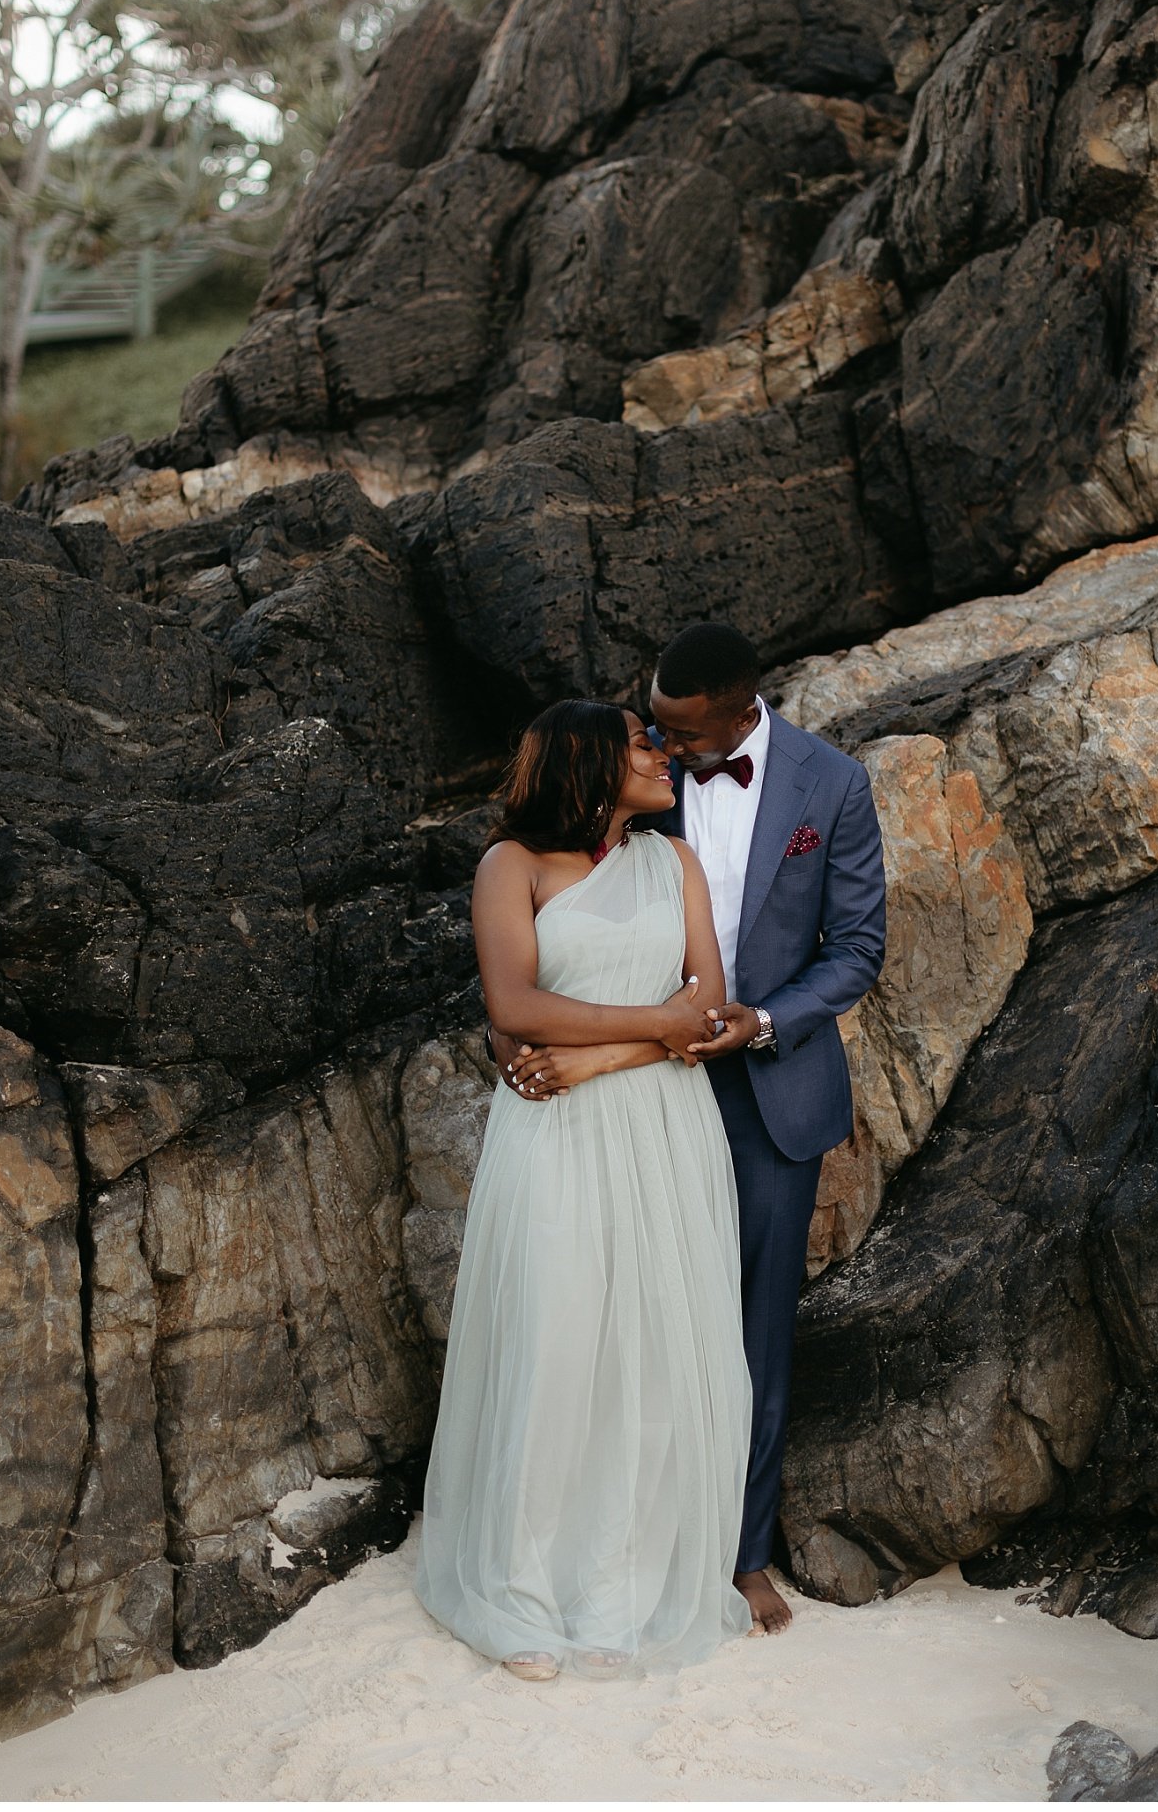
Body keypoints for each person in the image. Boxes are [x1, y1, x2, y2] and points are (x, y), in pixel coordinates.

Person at [503, 625, 887, 1635]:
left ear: (737, 705)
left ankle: (741, 1551)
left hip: (766, 1084)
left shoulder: (832, 784)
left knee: (752, 1328)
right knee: (621, 1316)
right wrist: (529, 1037)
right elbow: (547, 916)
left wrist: (761, 1020)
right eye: (653, 730)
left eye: (679, 731)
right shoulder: (629, 785)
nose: (663, 749)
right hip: (635, 1092)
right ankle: (616, 1543)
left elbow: (855, 948)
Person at [414, 699, 755, 1681]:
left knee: (652, 1347)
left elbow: (711, 1010)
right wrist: (652, 1021)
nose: (662, 754)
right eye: (643, 742)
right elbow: (514, 1004)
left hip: (660, 1122)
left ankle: (614, 1586)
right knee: (558, 1342)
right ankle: (518, 1592)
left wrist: (603, 1053)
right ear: (587, 759)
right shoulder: (511, 865)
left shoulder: (674, 862)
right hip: (553, 1135)